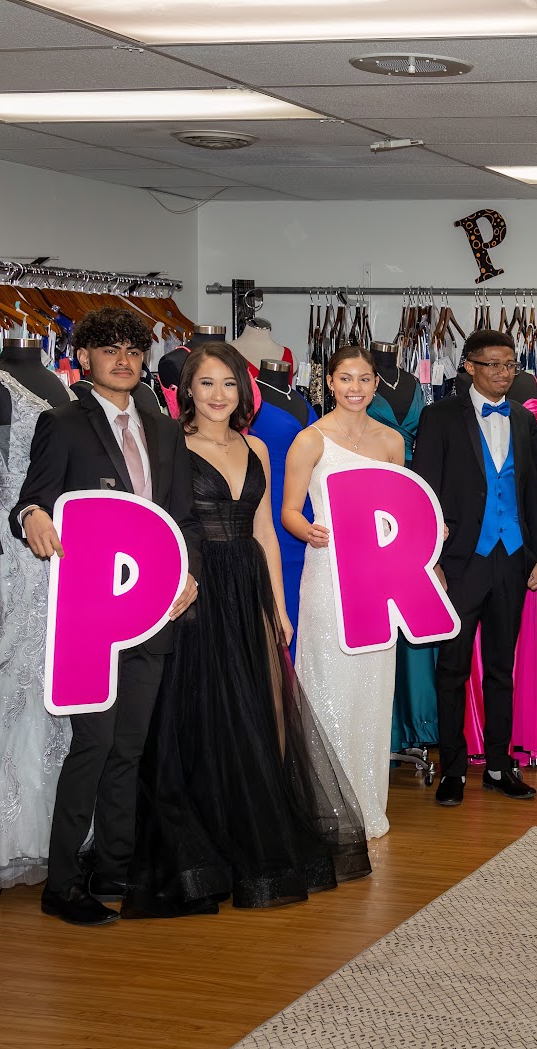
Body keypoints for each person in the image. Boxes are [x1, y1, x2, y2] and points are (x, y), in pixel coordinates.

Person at [125, 343, 370, 916]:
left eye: (229, 384)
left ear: (244, 391)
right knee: (197, 711)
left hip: (247, 584)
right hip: (195, 587)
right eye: (207, 384)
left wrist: (278, 607)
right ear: (187, 390)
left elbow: (264, 531)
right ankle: (200, 846)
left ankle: (246, 829)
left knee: (254, 711)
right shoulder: (169, 443)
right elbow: (156, 525)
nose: (219, 395)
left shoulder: (256, 446)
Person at [10, 307, 201, 925]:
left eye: (133, 350)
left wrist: (190, 574)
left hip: (152, 609)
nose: (123, 360)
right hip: (89, 613)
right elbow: (30, 501)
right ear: (85, 357)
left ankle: (115, 869)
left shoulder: (164, 428)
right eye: (109, 349)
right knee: (91, 745)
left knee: (129, 747)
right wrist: (32, 517)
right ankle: (62, 885)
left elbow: (183, 518)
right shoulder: (62, 423)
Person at [411, 329, 537, 806]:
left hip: (511, 558)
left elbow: (531, 493)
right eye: (493, 364)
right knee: (452, 668)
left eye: (510, 365)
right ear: (469, 366)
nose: (503, 373)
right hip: (459, 562)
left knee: (500, 669)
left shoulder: (522, 419)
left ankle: (498, 765)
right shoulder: (439, 416)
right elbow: (425, 491)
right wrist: (430, 559)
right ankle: (452, 769)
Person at [282, 346, 406, 838]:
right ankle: (323, 807)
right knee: (327, 682)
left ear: (376, 384)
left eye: (364, 379)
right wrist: (307, 530)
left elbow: (401, 508)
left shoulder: (392, 441)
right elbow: (289, 511)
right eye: (345, 378)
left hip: (379, 579)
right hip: (328, 576)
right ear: (329, 382)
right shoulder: (310, 440)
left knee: (372, 686)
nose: (355, 387)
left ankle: (365, 801)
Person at [0, 367, 70, 892]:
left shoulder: (65, 385)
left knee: (56, 679)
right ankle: (5, 831)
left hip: (63, 556)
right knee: (12, 677)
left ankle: (61, 828)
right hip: (12, 554)